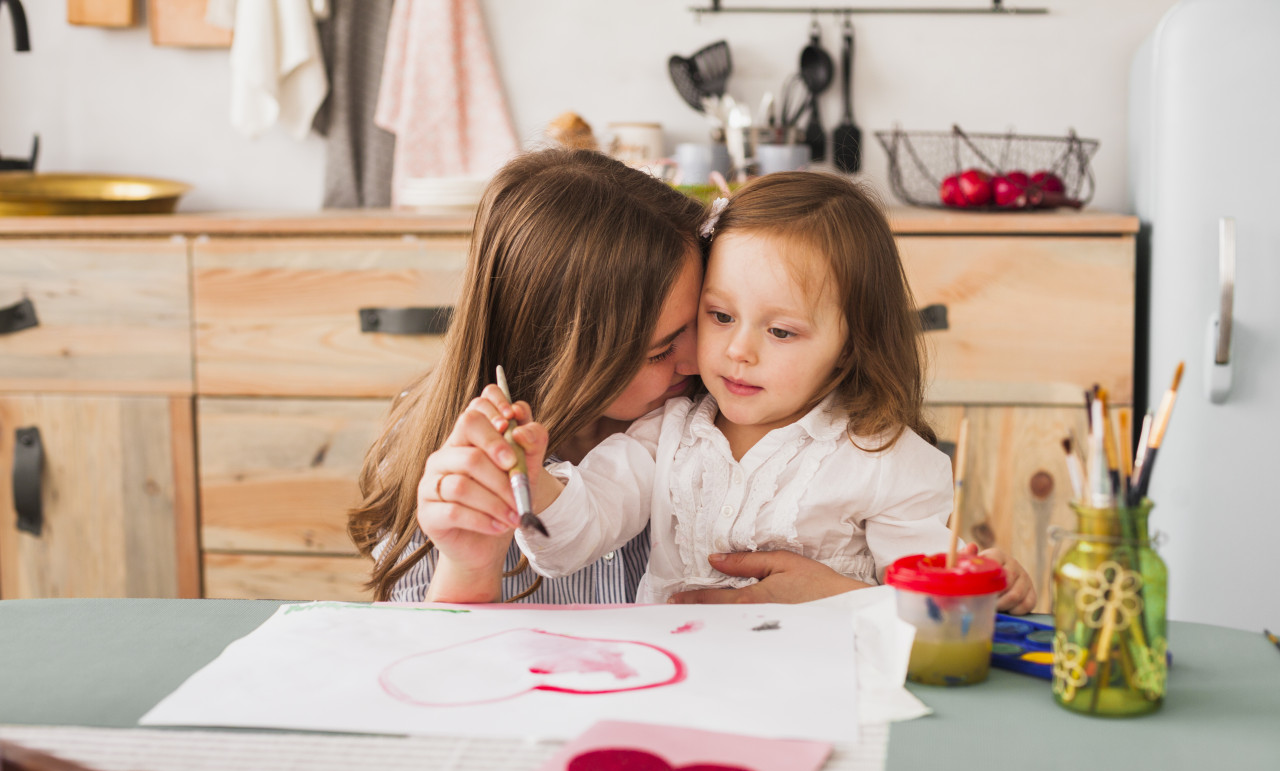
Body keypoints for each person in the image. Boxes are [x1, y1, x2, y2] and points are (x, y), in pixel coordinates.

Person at [352, 149, 1036, 612]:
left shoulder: (727, 419)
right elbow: (430, 678)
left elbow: (929, 585)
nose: (709, 361)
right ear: (567, 353)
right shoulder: (462, 471)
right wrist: (474, 559)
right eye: (690, 332)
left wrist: (949, 590)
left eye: (778, 330)